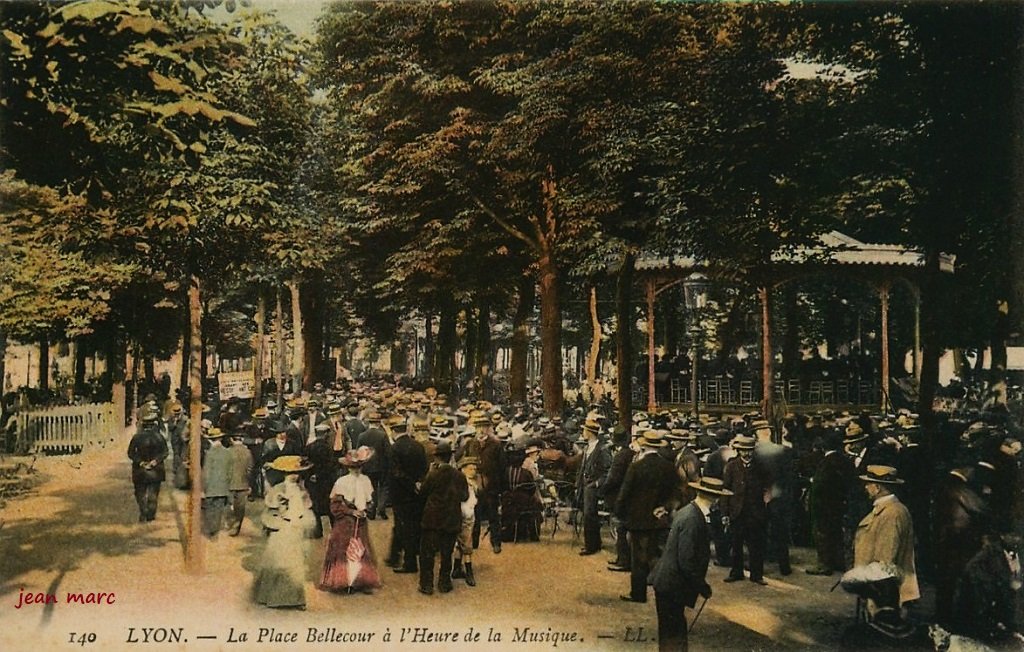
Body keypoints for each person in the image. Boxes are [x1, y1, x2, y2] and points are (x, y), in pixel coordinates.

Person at [650, 477, 732, 652]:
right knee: (674, 635)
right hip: (672, 585)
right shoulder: (693, 520)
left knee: (671, 633)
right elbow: (687, 561)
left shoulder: (689, 511)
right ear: (714, 499)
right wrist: (702, 586)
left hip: (667, 584)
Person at [616, 430, 679, 603]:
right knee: (654, 553)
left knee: (638, 559)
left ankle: (638, 593)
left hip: (638, 519)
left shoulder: (636, 467)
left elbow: (625, 493)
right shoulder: (668, 466)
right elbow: (676, 492)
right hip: (659, 519)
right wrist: (664, 508)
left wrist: (620, 512)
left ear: (643, 446)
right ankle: (663, 587)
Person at [853, 465, 920, 614]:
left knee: (880, 630)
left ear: (877, 488)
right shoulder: (890, 509)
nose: (865, 487)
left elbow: (886, 556)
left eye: (868, 484)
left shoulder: (891, 514)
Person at [253, 456, 315, 609]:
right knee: (280, 562)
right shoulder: (278, 489)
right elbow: (270, 509)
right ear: (285, 473)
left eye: (296, 472)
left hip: (296, 528)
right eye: (291, 473)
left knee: (295, 565)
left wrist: (301, 516)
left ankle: (296, 599)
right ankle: (275, 598)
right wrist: (281, 513)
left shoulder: (301, 488)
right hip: (282, 529)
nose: (295, 475)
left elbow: (306, 505)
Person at [319, 446, 382, 595]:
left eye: (359, 467)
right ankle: (343, 580)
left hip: (360, 522)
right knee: (343, 550)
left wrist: (365, 510)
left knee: (360, 549)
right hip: (345, 522)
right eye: (354, 467)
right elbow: (334, 506)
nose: (357, 470)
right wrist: (351, 511)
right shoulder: (341, 482)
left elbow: (371, 501)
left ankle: (359, 580)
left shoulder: (365, 480)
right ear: (348, 467)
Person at [418, 441, 469, 595]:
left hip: (432, 519)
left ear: (437, 458)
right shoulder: (459, 476)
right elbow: (464, 496)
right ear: (450, 456)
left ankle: (426, 584)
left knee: (427, 553)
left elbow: (423, 494)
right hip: (452, 518)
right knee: (447, 553)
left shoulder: (433, 475)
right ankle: (444, 583)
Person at [721, 435, 771, 585]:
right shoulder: (731, 466)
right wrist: (725, 513)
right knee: (736, 544)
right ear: (738, 450)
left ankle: (757, 575)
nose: (746, 454)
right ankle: (736, 572)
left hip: (755, 513)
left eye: (749, 451)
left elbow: (768, 487)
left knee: (756, 545)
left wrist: (766, 503)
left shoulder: (761, 467)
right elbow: (725, 490)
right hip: (737, 512)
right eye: (743, 450)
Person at [388, 419, 428, 574]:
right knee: (412, 525)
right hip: (417, 495)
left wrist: (411, 484)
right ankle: (394, 556)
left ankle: (409, 562)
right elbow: (424, 468)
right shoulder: (418, 446)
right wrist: (418, 483)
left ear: (393, 431)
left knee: (404, 527)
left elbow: (396, 473)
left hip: (401, 495)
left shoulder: (394, 449)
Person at [127, 406, 169, 522]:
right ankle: (151, 514)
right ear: (154, 425)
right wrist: (155, 461)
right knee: (153, 493)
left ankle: (143, 512)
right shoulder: (159, 437)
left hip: (140, 470)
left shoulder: (136, 437)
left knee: (140, 492)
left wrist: (140, 462)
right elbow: (165, 452)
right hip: (156, 470)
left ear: (143, 425)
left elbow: (130, 453)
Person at [577, 420, 613, 556]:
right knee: (588, 515)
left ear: (590, 433)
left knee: (590, 515)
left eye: (585, 430)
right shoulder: (588, 447)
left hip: (593, 486)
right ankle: (593, 543)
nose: (583, 433)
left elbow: (607, 470)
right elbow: (582, 468)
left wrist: (597, 483)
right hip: (585, 485)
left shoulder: (602, 449)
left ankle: (591, 546)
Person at [451, 456, 480, 587]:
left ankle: (456, 568)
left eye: (474, 468)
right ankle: (469, 572)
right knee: (467, 543)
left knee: (460, 543)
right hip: (465, 515)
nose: (473, 471)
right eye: (470, 468)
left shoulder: (469, 482)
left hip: (466, 514)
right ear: (463, 469)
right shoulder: (465, 483)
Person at [201, 427, 232, 537]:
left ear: (211, 440)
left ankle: (210, 528)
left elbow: (206, 472)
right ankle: (215, 529)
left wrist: (203, 488)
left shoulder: (209, 454)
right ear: (220, 439)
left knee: (209, 509)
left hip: (210, 487)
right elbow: (230, 472)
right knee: (219, 509)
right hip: (223, 487)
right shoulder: (228, 452)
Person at [225, 432, 254, 536]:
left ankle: (229, 524)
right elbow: (250, 469)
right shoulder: (248, 452)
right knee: (240, 507)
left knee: (229, 505)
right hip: (243, 483)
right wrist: (248, 483)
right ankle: (236, 527)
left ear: (232, 439)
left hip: (229, 483)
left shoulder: (227, 452)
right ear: (242, 439)